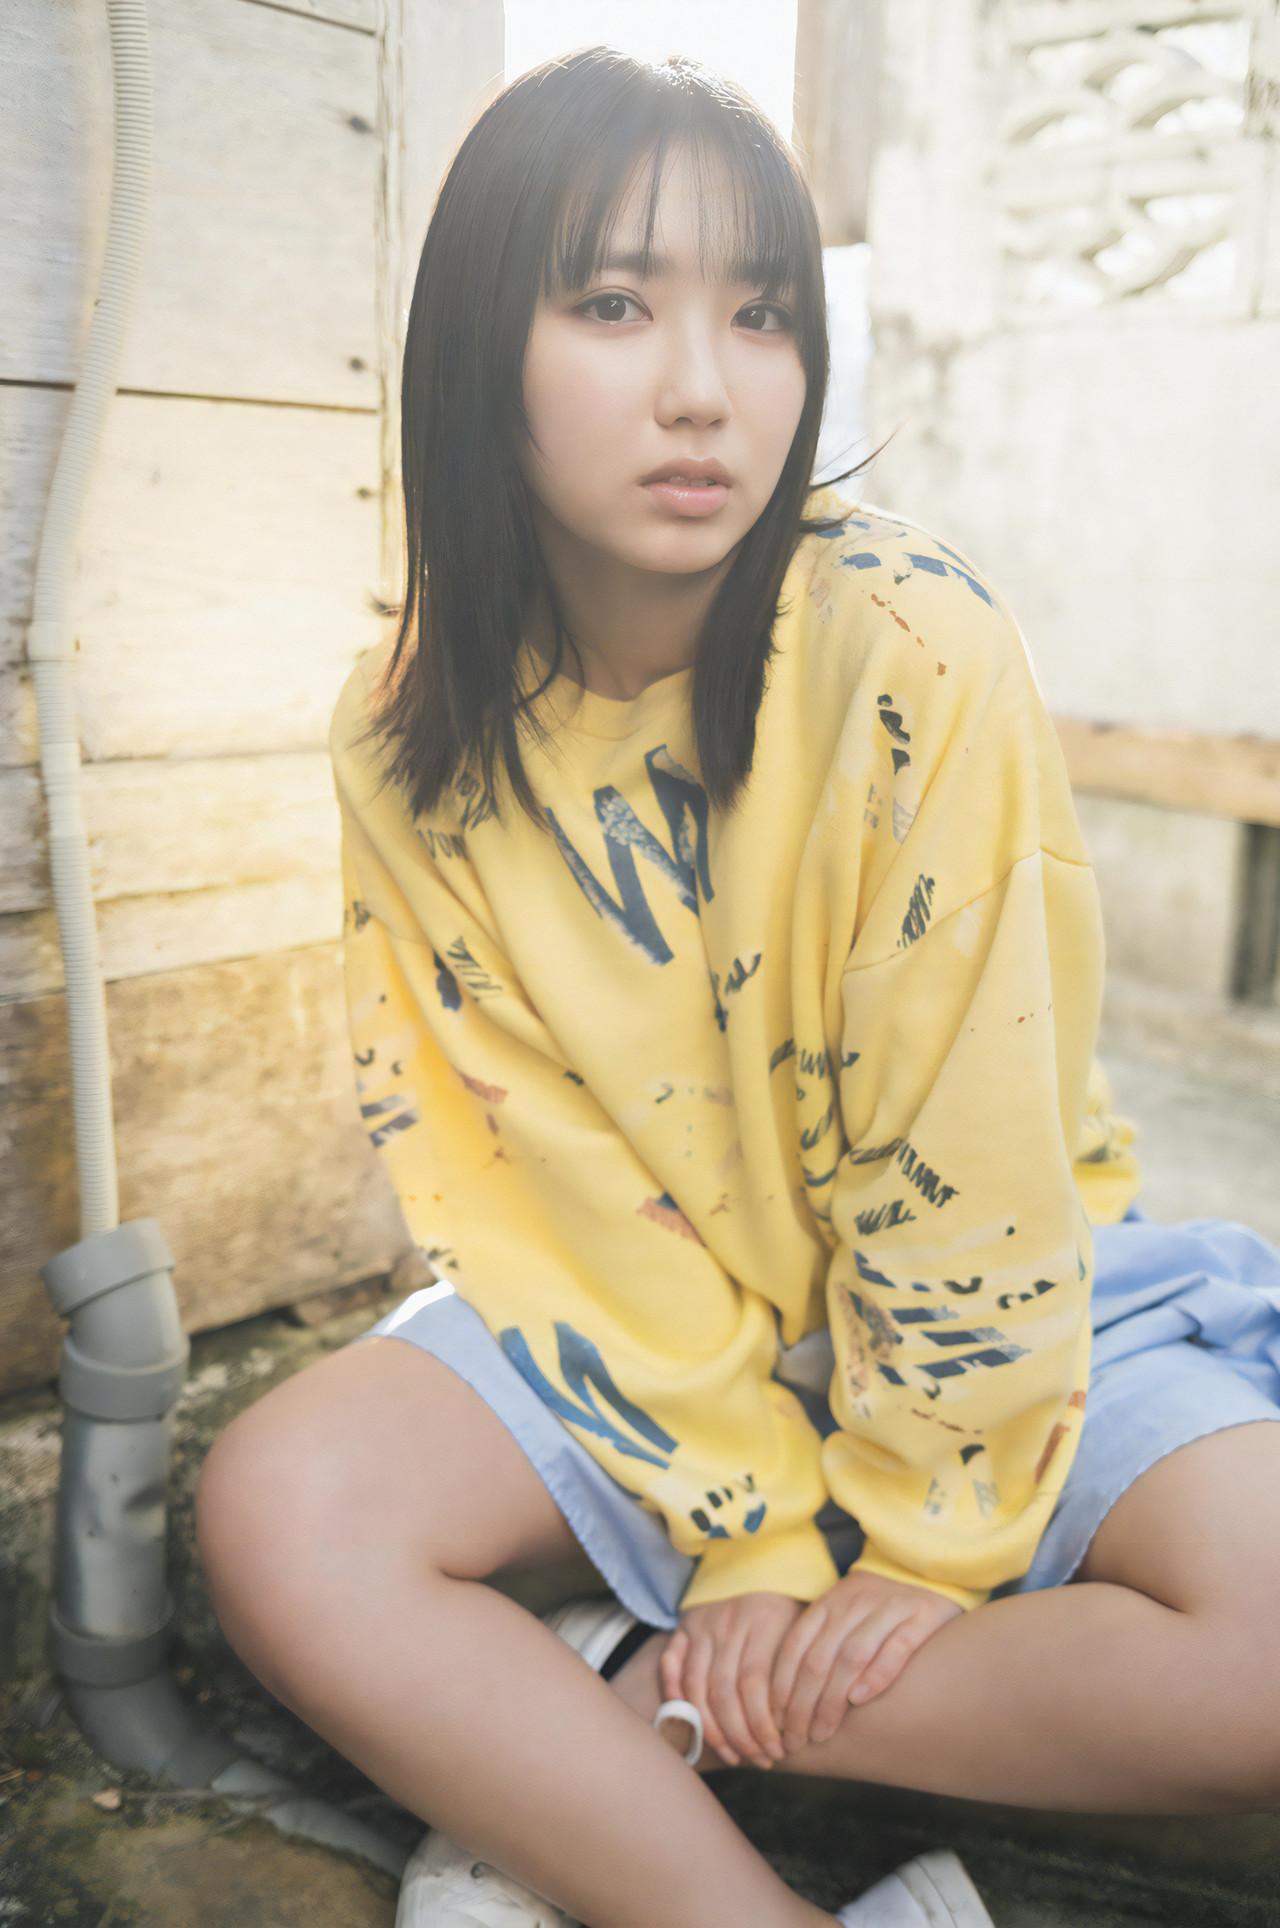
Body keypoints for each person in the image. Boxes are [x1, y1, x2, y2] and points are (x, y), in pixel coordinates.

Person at [194, 44, 1280, 1928]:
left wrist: (918, 1550)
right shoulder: (406, 728)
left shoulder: (907, 641)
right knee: (281, 1511)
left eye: (762, 314)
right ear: (481, 349)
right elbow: (527, 1177)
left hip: (994, 1319)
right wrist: (751, 1532)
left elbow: (969, 1143)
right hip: (642, 1326)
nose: (705, 387)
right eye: (614, 304)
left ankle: (609, 1711)